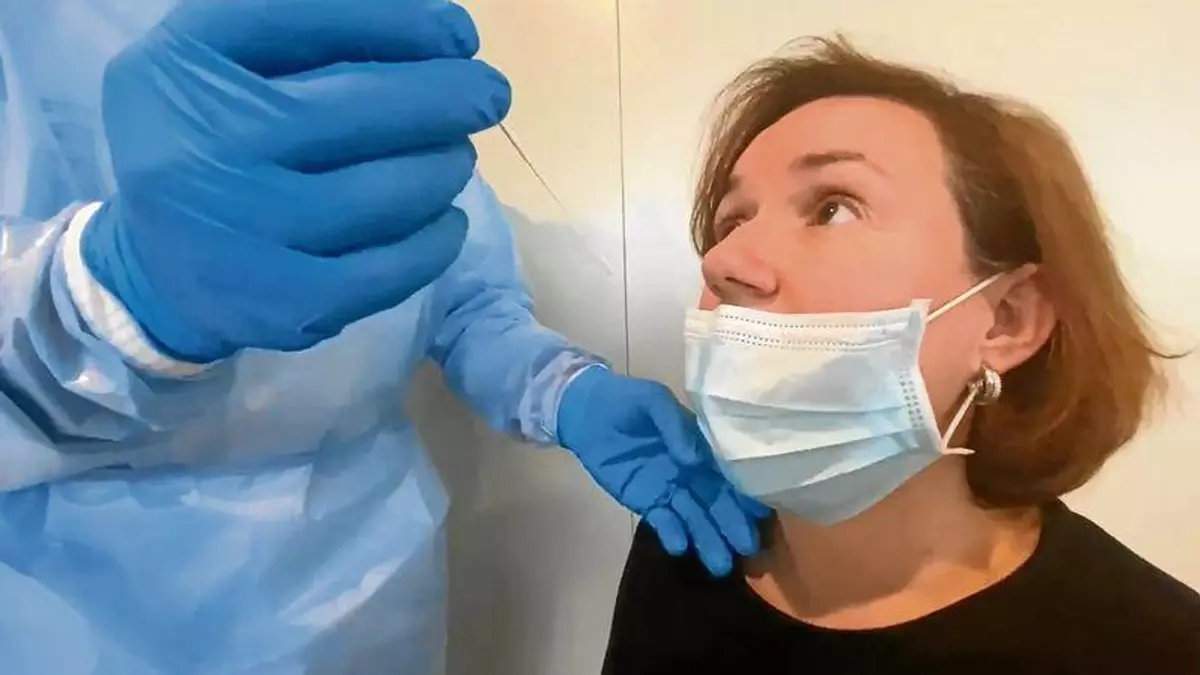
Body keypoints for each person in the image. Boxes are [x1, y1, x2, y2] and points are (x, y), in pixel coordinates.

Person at [0, 1, 767, 673]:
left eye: (824, 208)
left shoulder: (357, 37)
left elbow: (459, 299)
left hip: (373, 596)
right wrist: (111, 293)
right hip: (101, 618)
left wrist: (567, 390)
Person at [602, 36, 1200, 675]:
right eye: (733, 221)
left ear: (1007, 319)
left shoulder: (1159, 647)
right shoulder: (686, 544)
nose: (723, 262)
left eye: (833, 208)